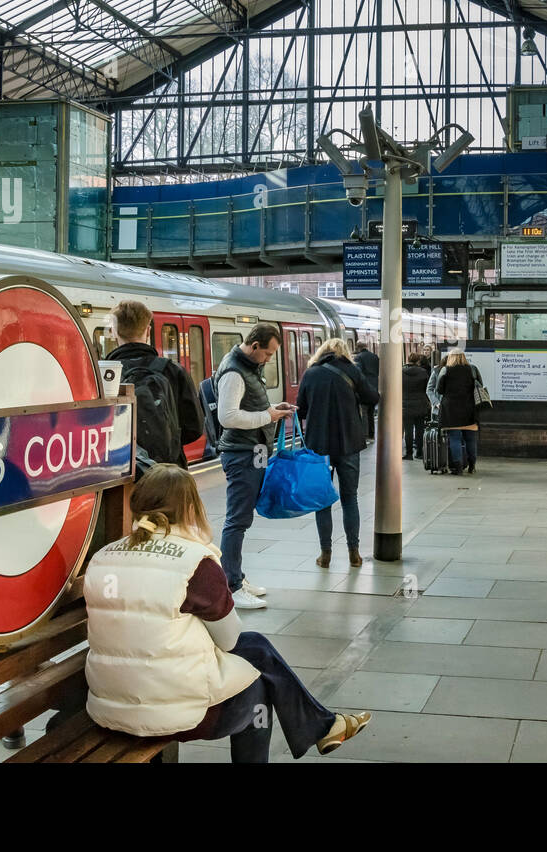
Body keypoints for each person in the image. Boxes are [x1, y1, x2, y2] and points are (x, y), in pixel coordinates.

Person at [83, 465, 371, 763]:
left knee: (251, 652)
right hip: (176, 714)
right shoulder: (195, 563)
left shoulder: (103, 556)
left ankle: (324, 725)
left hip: (108, 705)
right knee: (257, 682)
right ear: (191, 507)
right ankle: (321, 726)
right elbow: (231, 640)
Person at [213, 322, 294, 610]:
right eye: (269, 354)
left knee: (243, 518)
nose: (270, 359)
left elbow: (250, 406)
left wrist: (274, 410)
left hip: (254, 450)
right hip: (241, 453)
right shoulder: (235, 372)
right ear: (255, 346)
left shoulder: (248, 368)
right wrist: (268, 416)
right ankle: (230, 586)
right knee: (237, 519)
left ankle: (236, 575)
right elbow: (228, 417)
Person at [296, 338, 380, 569]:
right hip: (349, 443)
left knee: (322, 499)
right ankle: (354, 553)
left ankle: (325, 554)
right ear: (345, 353)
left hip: (319, 445)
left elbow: (300, 409)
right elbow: (373, 398)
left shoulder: (311, 374)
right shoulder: (352, 370)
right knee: (349, 498)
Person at [106, 300, 204, 469]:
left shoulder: (103, 374)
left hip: (119, 472)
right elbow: (195, 427)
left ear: (114, 332)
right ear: (148, 330)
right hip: (168, 471)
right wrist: (166, 440)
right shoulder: (172, 370)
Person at [437, 349, 479, 475]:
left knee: (454, 438)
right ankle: (472, 466)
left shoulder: (445, 370)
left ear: (451, 357)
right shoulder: (472, 369)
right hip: (469, 408)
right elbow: (479, 385)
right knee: (470, 438)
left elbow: (439, 389)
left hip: (451, 409)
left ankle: (458, 467)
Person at [402, 352, 431, 460]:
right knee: (420, 430)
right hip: (420, 403)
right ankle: (419, 452)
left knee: (408, 430)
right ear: (418, 361)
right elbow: (427, 388)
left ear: (408, 359)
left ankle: (409, 453)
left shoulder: (401, 372)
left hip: (405, 404)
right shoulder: (423, 372)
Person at [353, 342, 380, 439]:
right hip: (374, 387)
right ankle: (372, 434)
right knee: (371, 412)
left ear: (358, 348)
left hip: (364, 388)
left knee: (363, 411)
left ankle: (365, 435)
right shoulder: (375, 357)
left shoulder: (358, 358)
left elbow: (358, 372)